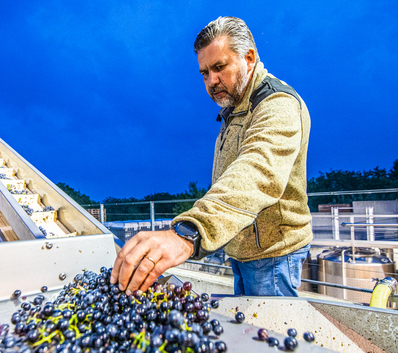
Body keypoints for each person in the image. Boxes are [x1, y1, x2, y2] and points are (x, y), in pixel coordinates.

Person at [110, 16, 312, 297]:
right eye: (205, 72)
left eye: (219, 67)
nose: (211, 80)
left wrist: (190, 232)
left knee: (273, 334)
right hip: (241, 248)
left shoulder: (277, 106)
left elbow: (257, 173)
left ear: (249, 58)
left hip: (273, 254)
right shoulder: (236, 106)